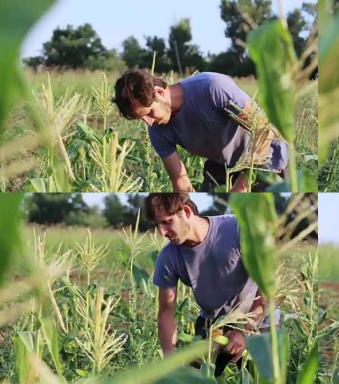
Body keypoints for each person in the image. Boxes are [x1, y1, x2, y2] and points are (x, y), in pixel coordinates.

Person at [146, 193, 271, 376]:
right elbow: (166, 311)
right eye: (156, 225)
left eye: (166, 222)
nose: (162, 233)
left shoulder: (238, 229)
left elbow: (267, 286)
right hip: (213, 327)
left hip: (257, 320)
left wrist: (245, 331)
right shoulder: (168, 256)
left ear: (186, 212)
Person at [113, 70, 288, 192]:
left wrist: (241, 187)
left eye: (149, 113)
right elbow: (181, 181)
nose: (149, 123)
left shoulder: (212, 88)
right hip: (223, 166)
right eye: (141, 119)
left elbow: (263, 130)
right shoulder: (157, 130)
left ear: (158, 92)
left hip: (266, 158)